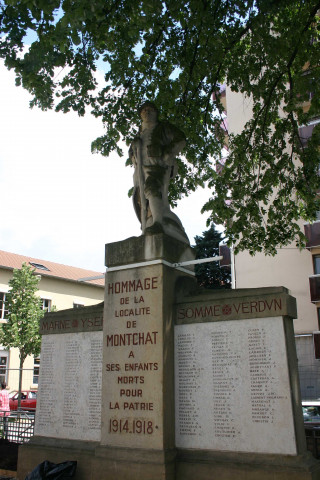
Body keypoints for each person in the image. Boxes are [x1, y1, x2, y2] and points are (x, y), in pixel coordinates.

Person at [129, 102, 189, 243]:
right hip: (140, 173)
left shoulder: (163, 128)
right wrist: (134, 154)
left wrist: (169, 152)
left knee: (152, 189)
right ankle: (149, 224)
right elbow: (132, 155)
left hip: (158, 167)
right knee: (142, 201)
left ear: (156, 113)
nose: (147, 113)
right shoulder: (139, 135)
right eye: (143, 111)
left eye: (150, 110)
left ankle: (158, 224)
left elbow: (180, 139)